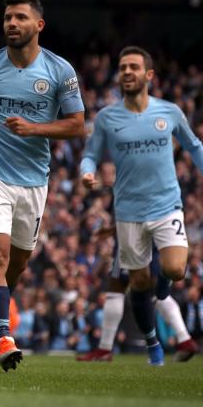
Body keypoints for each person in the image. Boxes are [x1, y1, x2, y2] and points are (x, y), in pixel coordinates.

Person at [0, 0, 85, 371]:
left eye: (21, 18)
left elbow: (77, 124)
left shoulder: (60, 71)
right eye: (8, 17)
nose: (12, 23)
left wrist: (36, 128)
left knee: (18, 265)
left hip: (33, 181)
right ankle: (4, 336)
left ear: (38, 25)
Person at [79, 46, 202, 365]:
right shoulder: (107, 117)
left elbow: (194, 146)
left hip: (166, 206)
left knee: (174, 268)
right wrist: (87, 171)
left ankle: (163, 297)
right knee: (138, 283)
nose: (127, 72)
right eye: (122, 67)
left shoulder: (169, 112)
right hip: (128, 213)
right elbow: (91, 153)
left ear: (148, 75)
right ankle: (153, 345)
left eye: (134, 66)